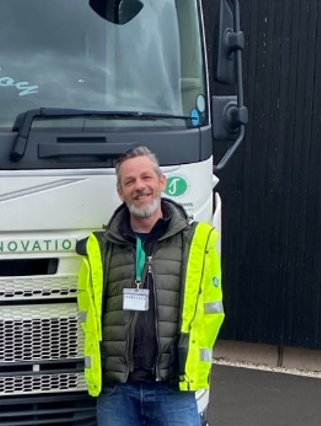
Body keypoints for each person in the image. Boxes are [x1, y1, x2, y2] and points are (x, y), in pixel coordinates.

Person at [76, 146, 224, 426]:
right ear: (120, 192)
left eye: (146, 177)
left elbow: (211, 313)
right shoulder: (100, 247)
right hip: (118, 390)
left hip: (173, 389)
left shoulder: (196, 242)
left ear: (161, 182)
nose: (139, 187)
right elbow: (89, 317)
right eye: (129, 181)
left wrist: (188, 365)